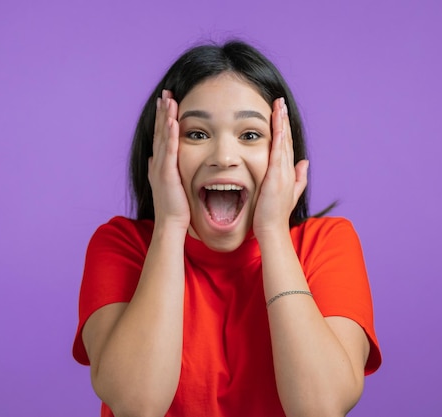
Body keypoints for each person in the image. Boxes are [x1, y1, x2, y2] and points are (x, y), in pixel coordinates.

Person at [73, 40, 381, 417]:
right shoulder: (120, 246)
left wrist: (272, 231)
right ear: (160, 149)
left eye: (250, 135)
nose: (223, 157)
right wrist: (170, 225)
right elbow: (137, 405)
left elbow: (320, 407)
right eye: (197, 134)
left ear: (283, 152)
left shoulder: (327, 244)